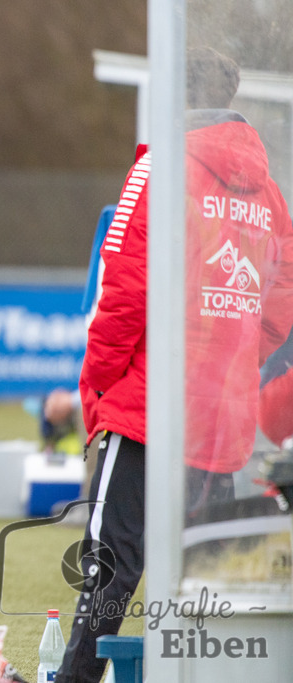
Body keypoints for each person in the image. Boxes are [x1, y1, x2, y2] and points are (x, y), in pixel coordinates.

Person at [57, 47, 293, 683]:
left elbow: (122, 290)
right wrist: (239, 361)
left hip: (149, 403)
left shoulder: (160, 166)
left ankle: (77, 679)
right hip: (221, 412)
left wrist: (99, 382)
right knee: (200, 569)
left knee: (111, 562)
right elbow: (283, 294)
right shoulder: (269, 191)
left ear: (174, 93)